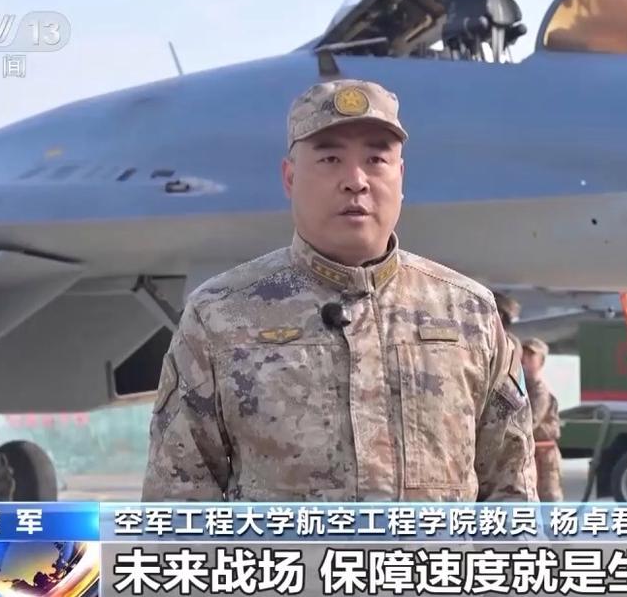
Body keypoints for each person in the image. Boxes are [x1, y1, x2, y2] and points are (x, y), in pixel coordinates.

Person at [141, 78, 537, 503]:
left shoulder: (469, 315)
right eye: (330, 159)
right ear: (290, 177)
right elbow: (177, 508)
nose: (355, 181)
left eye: (376, 159)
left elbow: (512, 501)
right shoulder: (220, 317)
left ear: (401, 177)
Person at [522, 337, 563, 502]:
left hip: (545, 458)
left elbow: (530, 422)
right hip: (532, 454)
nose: (525, 359)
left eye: (531, 356)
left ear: (541, 362)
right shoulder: (524, 387)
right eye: (524, 354)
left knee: (549, 500)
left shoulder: (540, 391)